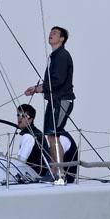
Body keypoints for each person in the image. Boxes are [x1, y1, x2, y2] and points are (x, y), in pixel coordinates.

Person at [25, 26, 75, 167]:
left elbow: (57, 80)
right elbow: (52, 82)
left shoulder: (62, 56)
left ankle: (58, 172)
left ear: (62, 39)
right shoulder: (55, 56)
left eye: (55, 33)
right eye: (50, 32)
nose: (51, 34)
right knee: (51, 136)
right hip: (54, 101)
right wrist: (36, 89)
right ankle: (55, 170)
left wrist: (38, 88)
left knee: (53, 135)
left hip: (62, 100)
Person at [14, 104, 51, 179]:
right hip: (43, 174)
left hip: (36, 176)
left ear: (31, 119)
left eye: (24, 116)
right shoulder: (37, 132)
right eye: (18, 115)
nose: (19, 118)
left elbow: (21, 161)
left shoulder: (28, 136)